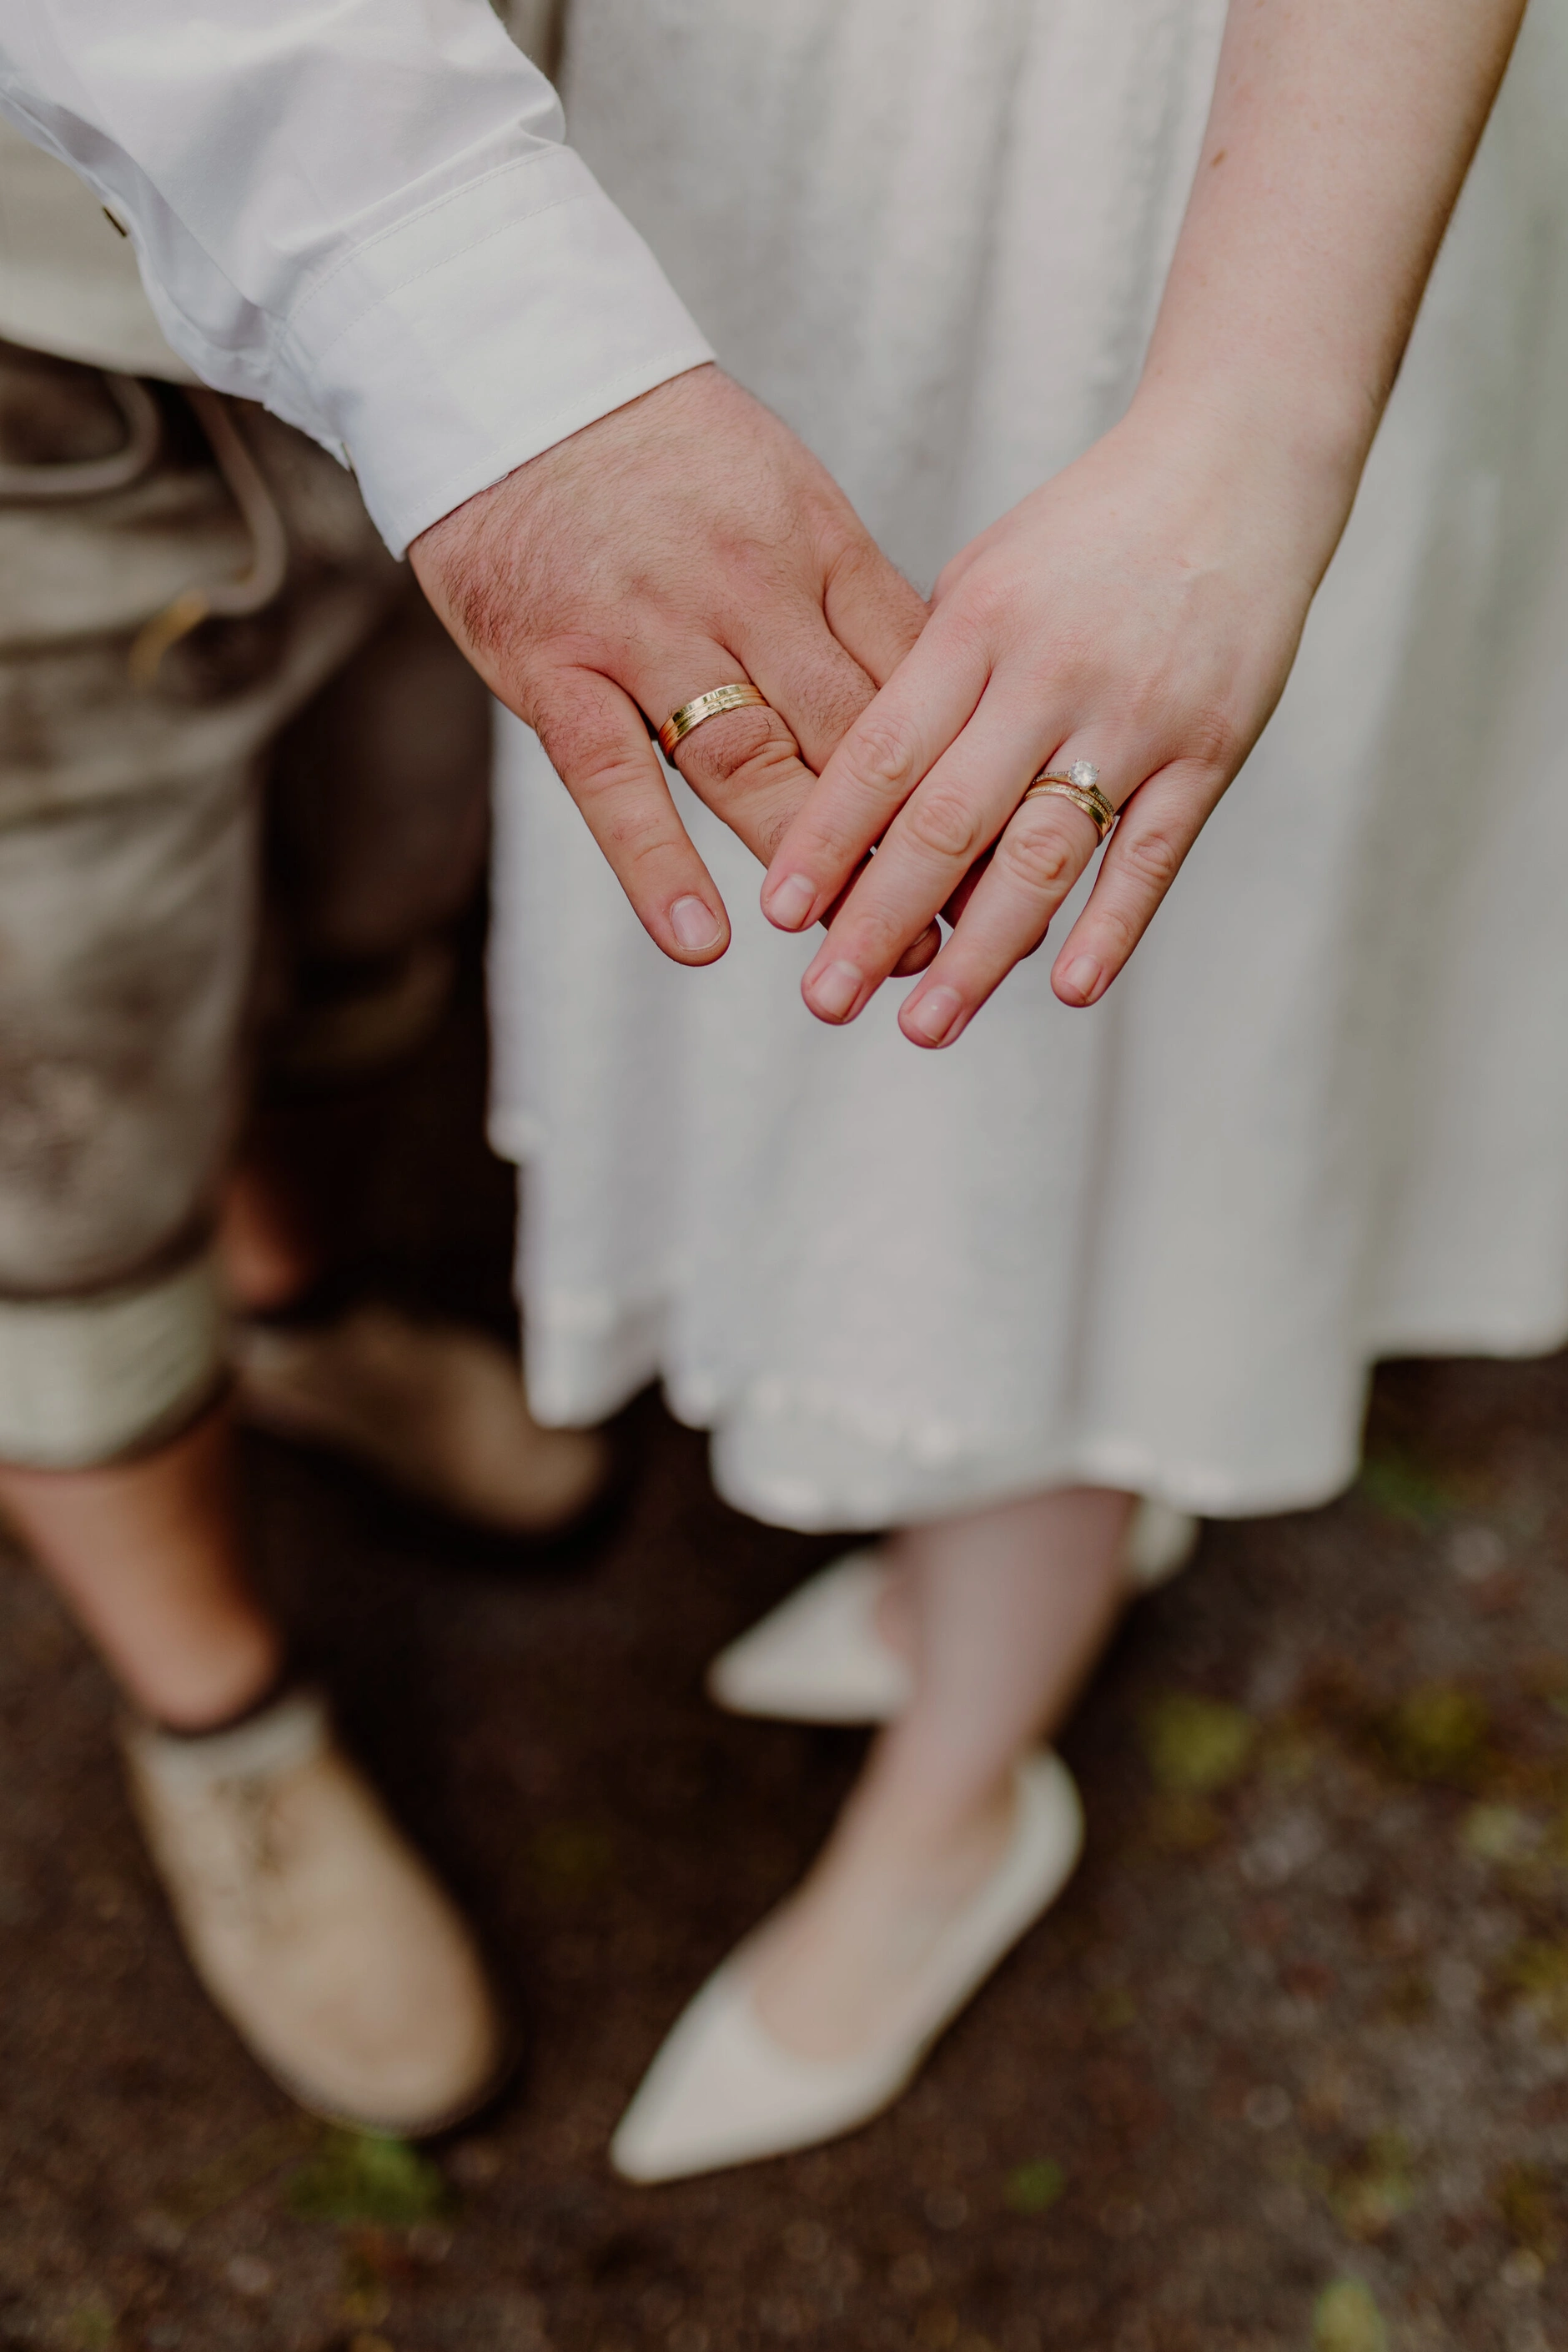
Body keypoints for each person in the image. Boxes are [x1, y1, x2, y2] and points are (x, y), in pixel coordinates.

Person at [488, 0, 1565, 2179]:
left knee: (1081, 996)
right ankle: (948, 1531)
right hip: (756, 111)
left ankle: (965, 1786)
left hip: (1222, 154)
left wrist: (1251, 421)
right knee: (810, 895)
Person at [0, 0, 931, 2133]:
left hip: (502, 239)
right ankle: (217, 1715)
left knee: (372, 903)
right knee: (49, 1130)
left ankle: (306, 1314)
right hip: (71, 329)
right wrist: (498, 335)